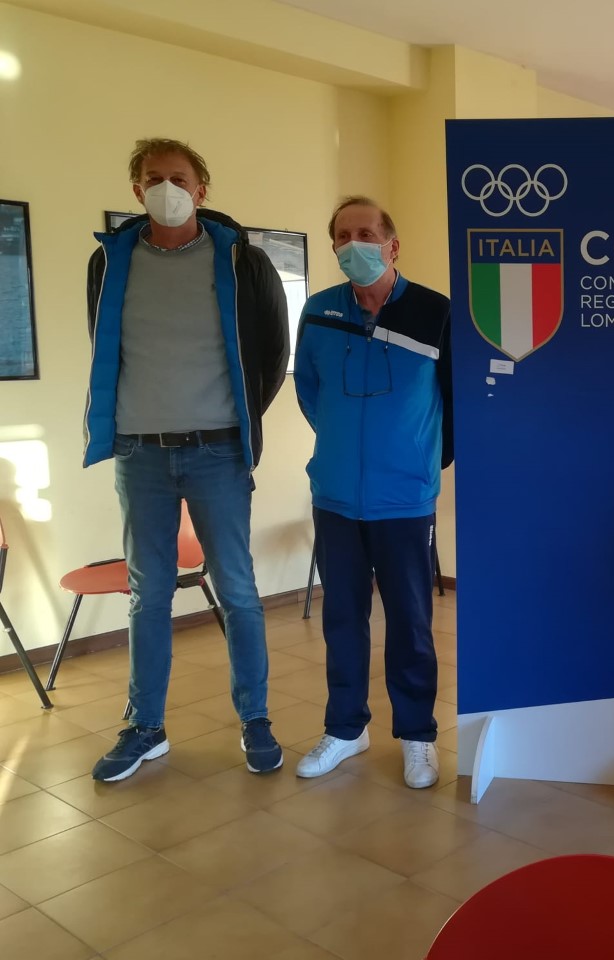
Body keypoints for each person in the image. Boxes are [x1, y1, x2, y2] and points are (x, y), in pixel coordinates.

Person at [84, 138, 289, 782]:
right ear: (136, 190)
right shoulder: (109, 261)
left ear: (202, 190)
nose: (166, 188)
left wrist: (234, 419)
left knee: (237, 589)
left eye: (179, 178)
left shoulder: (242, 260)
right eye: (153, 178)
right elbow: (104, 345)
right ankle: (144, 727)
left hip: (217, 451)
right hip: (138, 453)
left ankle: (256, 719)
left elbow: (271, 353)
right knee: (147, 594)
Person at [294, 196, 452, 789]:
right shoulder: (319, 311)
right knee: (342, 618)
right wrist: (343, 445)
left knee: (410, 622)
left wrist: (417, 459)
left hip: (405, 499)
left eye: (365, 233)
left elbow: (455, 399)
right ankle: (345, 728)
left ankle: (416, 735)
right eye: (342, 235)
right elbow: (311, 392)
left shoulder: (434, 311)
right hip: (335, 496)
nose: (352, 244)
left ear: (392, 245)